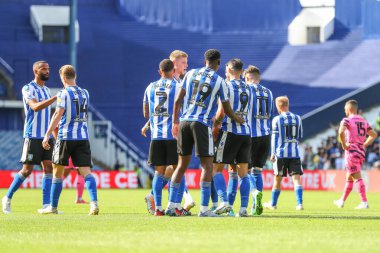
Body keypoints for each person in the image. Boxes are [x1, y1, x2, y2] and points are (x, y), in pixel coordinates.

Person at [167, 49, 244, 217]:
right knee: (208, 166)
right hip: (201, 124)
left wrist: (175, 121)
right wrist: (239, 119)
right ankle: (204, 209)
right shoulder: (220, 80)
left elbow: (178, 99)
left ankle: (171, 205)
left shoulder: (191, 73)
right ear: (217, 64)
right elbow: (226, 109)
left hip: (185, 122)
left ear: (204, 62)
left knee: (181, 165)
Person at [39, 65, 99, 215]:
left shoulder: (63, 93)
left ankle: (53, 207)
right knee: (86, 172)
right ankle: (94, 203)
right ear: (75, 76)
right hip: (82, 137)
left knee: (57, 173)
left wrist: (47, 134)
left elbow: (58, 114)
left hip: (66, 136)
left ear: (63, 78)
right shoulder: (85, 93)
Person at [143, 50, 195, 215]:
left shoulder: (150, 87)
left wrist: (152, 120)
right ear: (173, 68)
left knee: (159, 171)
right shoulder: (178, 86)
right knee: (178, 168)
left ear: (160, 71)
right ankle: (175, 206)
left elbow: (147, 112)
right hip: (174, 134)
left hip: (157, 135)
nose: (185, 66)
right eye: (182, 63)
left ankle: (158, 208)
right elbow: (182, 108)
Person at [2, 61, 57, 214]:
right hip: (32, 135)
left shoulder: (46, 90)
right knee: (27, 170)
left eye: (48, 69)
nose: (47, 71)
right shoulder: (28, 88)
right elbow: (34, 107)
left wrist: (53, 133)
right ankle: (7, 197)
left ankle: (46, 205)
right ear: (35, 71)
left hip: (45, 137)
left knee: (48, 168)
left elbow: (49, 115)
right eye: (43, 69)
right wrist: (54, 99)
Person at [212, 59, 251, 217]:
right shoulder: (248, 88)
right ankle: (243, 209)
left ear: (229, 69)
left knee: (216, 169)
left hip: (229, 131)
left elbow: (222, 112)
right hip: (246, 133)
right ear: (242, 71)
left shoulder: (226, 85)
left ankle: (224, 202)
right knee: (244, 173)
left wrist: (215, 125)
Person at [333, 100, 377, 209]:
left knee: (356, 176)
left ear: (348, 109)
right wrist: (364, 145)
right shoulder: (363, 120)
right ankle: (342, 201)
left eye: (345, 110)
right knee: (350, 177)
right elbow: (373, 134)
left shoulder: (347, 120)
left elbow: (340, 132)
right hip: (360, 151)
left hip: (351, 150)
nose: (345, 112)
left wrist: (344, 144)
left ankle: (364, 202)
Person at [263, 96, 304, 211]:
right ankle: (299, 204)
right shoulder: (298, 118)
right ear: (288, 104)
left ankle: (273, 204)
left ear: (278, 106)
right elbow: (300, 135)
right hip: (294, 153)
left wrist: (272, 154)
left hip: (280, 154)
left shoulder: (276, 119)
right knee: (296, 179)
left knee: (277, 179)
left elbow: (274, 138)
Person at [245, 65, 274, 215]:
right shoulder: (269, 92)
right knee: (258, 171)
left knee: (244, 170)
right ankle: (255, 206)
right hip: (265, 135)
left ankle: (255, 192)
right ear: (259, 77)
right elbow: (270, 113)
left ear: (248, 78)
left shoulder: (247, 89)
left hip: (251, 135)